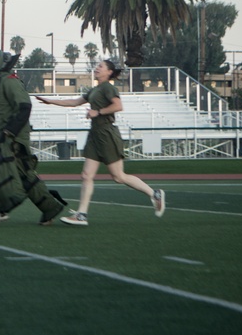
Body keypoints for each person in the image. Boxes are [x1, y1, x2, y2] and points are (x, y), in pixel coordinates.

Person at [36, 60, 165, 226]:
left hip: (106, 134)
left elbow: (118, 106)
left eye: (101, 66)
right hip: (95, 134)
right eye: (97, 66)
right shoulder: (95, 89)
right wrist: (51, 101)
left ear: (109, 72)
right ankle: (81, 215)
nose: (97, 68)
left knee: (118, 177)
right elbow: (75, 102)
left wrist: (98, 112)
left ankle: (154, 194)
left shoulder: (108, 88)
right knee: (86, 175)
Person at [0, 42, 65, 224]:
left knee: (0, 171)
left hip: (11, 138)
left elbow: (24, 107)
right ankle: (50, 208)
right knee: (22, 175)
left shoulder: (9, 81)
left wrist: (10, 132)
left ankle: (1, 209)